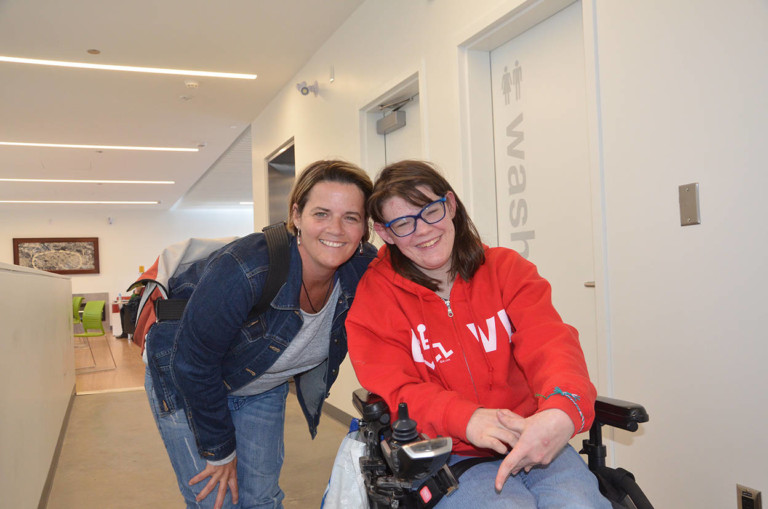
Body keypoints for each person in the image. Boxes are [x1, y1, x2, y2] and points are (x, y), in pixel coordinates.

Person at [346, 160, 611, 508]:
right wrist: (466, 419)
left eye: (431, 211)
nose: (423, 230)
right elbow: (396, 387)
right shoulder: (377, 296)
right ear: (385, 233)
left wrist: (562, 409)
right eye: (403, 223)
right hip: (448, 452)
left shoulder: (506, 269)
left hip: (528, 434)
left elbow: (550, 344)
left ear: (450, 205)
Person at [144, 160, 377, 509]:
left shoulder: (363, 269)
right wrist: (220, 451)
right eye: (321, 213)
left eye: (351, 217)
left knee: (261, 499)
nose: (336, 229)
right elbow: (194, 363)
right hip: (187, 381)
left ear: (365, 227)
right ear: (296, 215)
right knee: (216, 502)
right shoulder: (248, 266)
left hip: (260, 385)